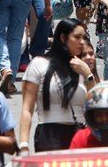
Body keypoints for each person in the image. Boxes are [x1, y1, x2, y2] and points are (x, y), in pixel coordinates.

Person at [18, 18, 95, 153]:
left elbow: (96, 104)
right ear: (63, 37)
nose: (82, 42)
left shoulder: (83, 68)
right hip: (49, 136)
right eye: (77, 37)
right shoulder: (39, 64)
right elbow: (26, 109)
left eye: (84, 37)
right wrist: (24, 145)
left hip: (80, 135)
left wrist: (88, 75)